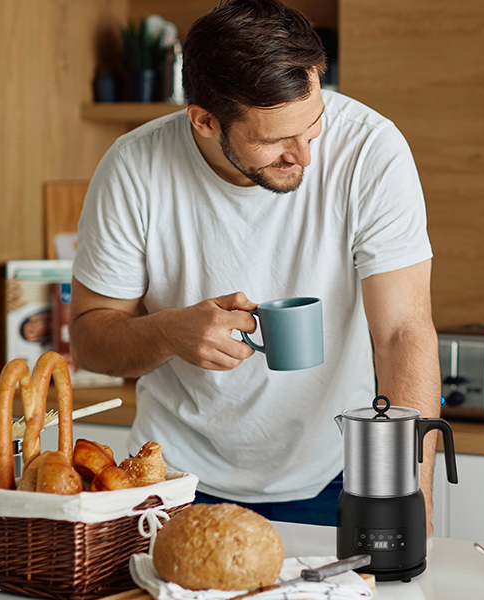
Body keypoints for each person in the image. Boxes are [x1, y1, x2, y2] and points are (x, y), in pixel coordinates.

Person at [68, 0, 439, 527]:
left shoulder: (370, 151)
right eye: (274, 141)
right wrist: (170, 333)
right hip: (174, 483)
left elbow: (403, 333)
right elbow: (87, 338)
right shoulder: (135, 168)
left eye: (313, 125)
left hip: (336, 474)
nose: (305, 156)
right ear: (203, 121)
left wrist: (409, 499)